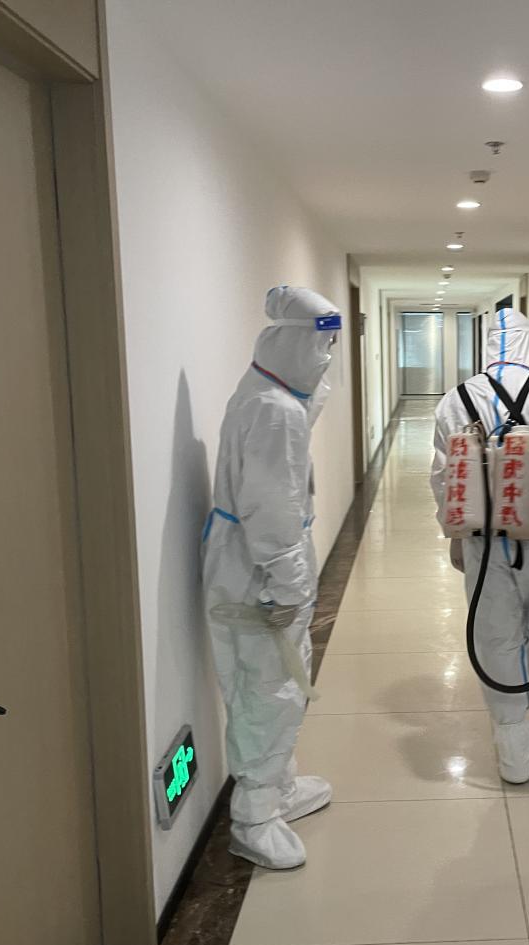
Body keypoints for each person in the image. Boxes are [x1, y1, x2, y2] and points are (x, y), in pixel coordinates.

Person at [201, 285, 341, 869]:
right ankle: (254, 816)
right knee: (265, 688)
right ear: (292, 342)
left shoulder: (267, 393)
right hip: (257, 571)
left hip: (254, 560)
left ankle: (277, 786)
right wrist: (287, 585)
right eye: (322, 344)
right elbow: (271, 508)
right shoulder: (274, 411)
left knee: (281, 679)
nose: (327, 357)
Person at [430, 308, 529, 783]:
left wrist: (453, 533)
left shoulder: (456, 398)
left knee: (496, 636)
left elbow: (444, 476)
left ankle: (515, 758)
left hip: (482, 539)